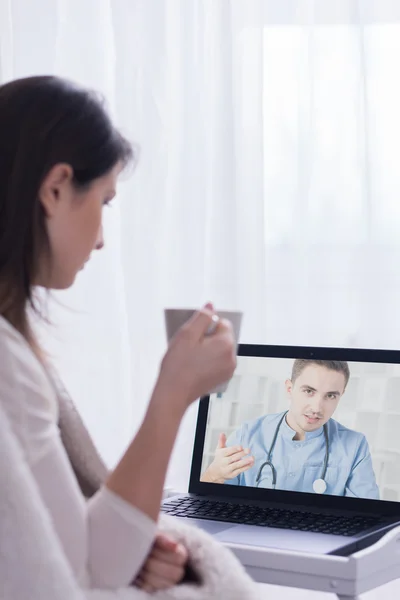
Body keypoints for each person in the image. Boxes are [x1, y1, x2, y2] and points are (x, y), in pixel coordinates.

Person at [0, 75, 245, 598]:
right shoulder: (8, 365)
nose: (103, 239)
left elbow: (74, 556)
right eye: (104, 201)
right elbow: (74, 582)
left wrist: (131, 556)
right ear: (56, 188)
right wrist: (173, 394)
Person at [201, 359, 380, 499]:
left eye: (330, 396)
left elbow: (367, 518)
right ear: (289, 388)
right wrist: (213, 475)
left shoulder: (355, 446)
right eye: (309, 391)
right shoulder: (248, 435)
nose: (317, 407)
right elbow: (206, 505)